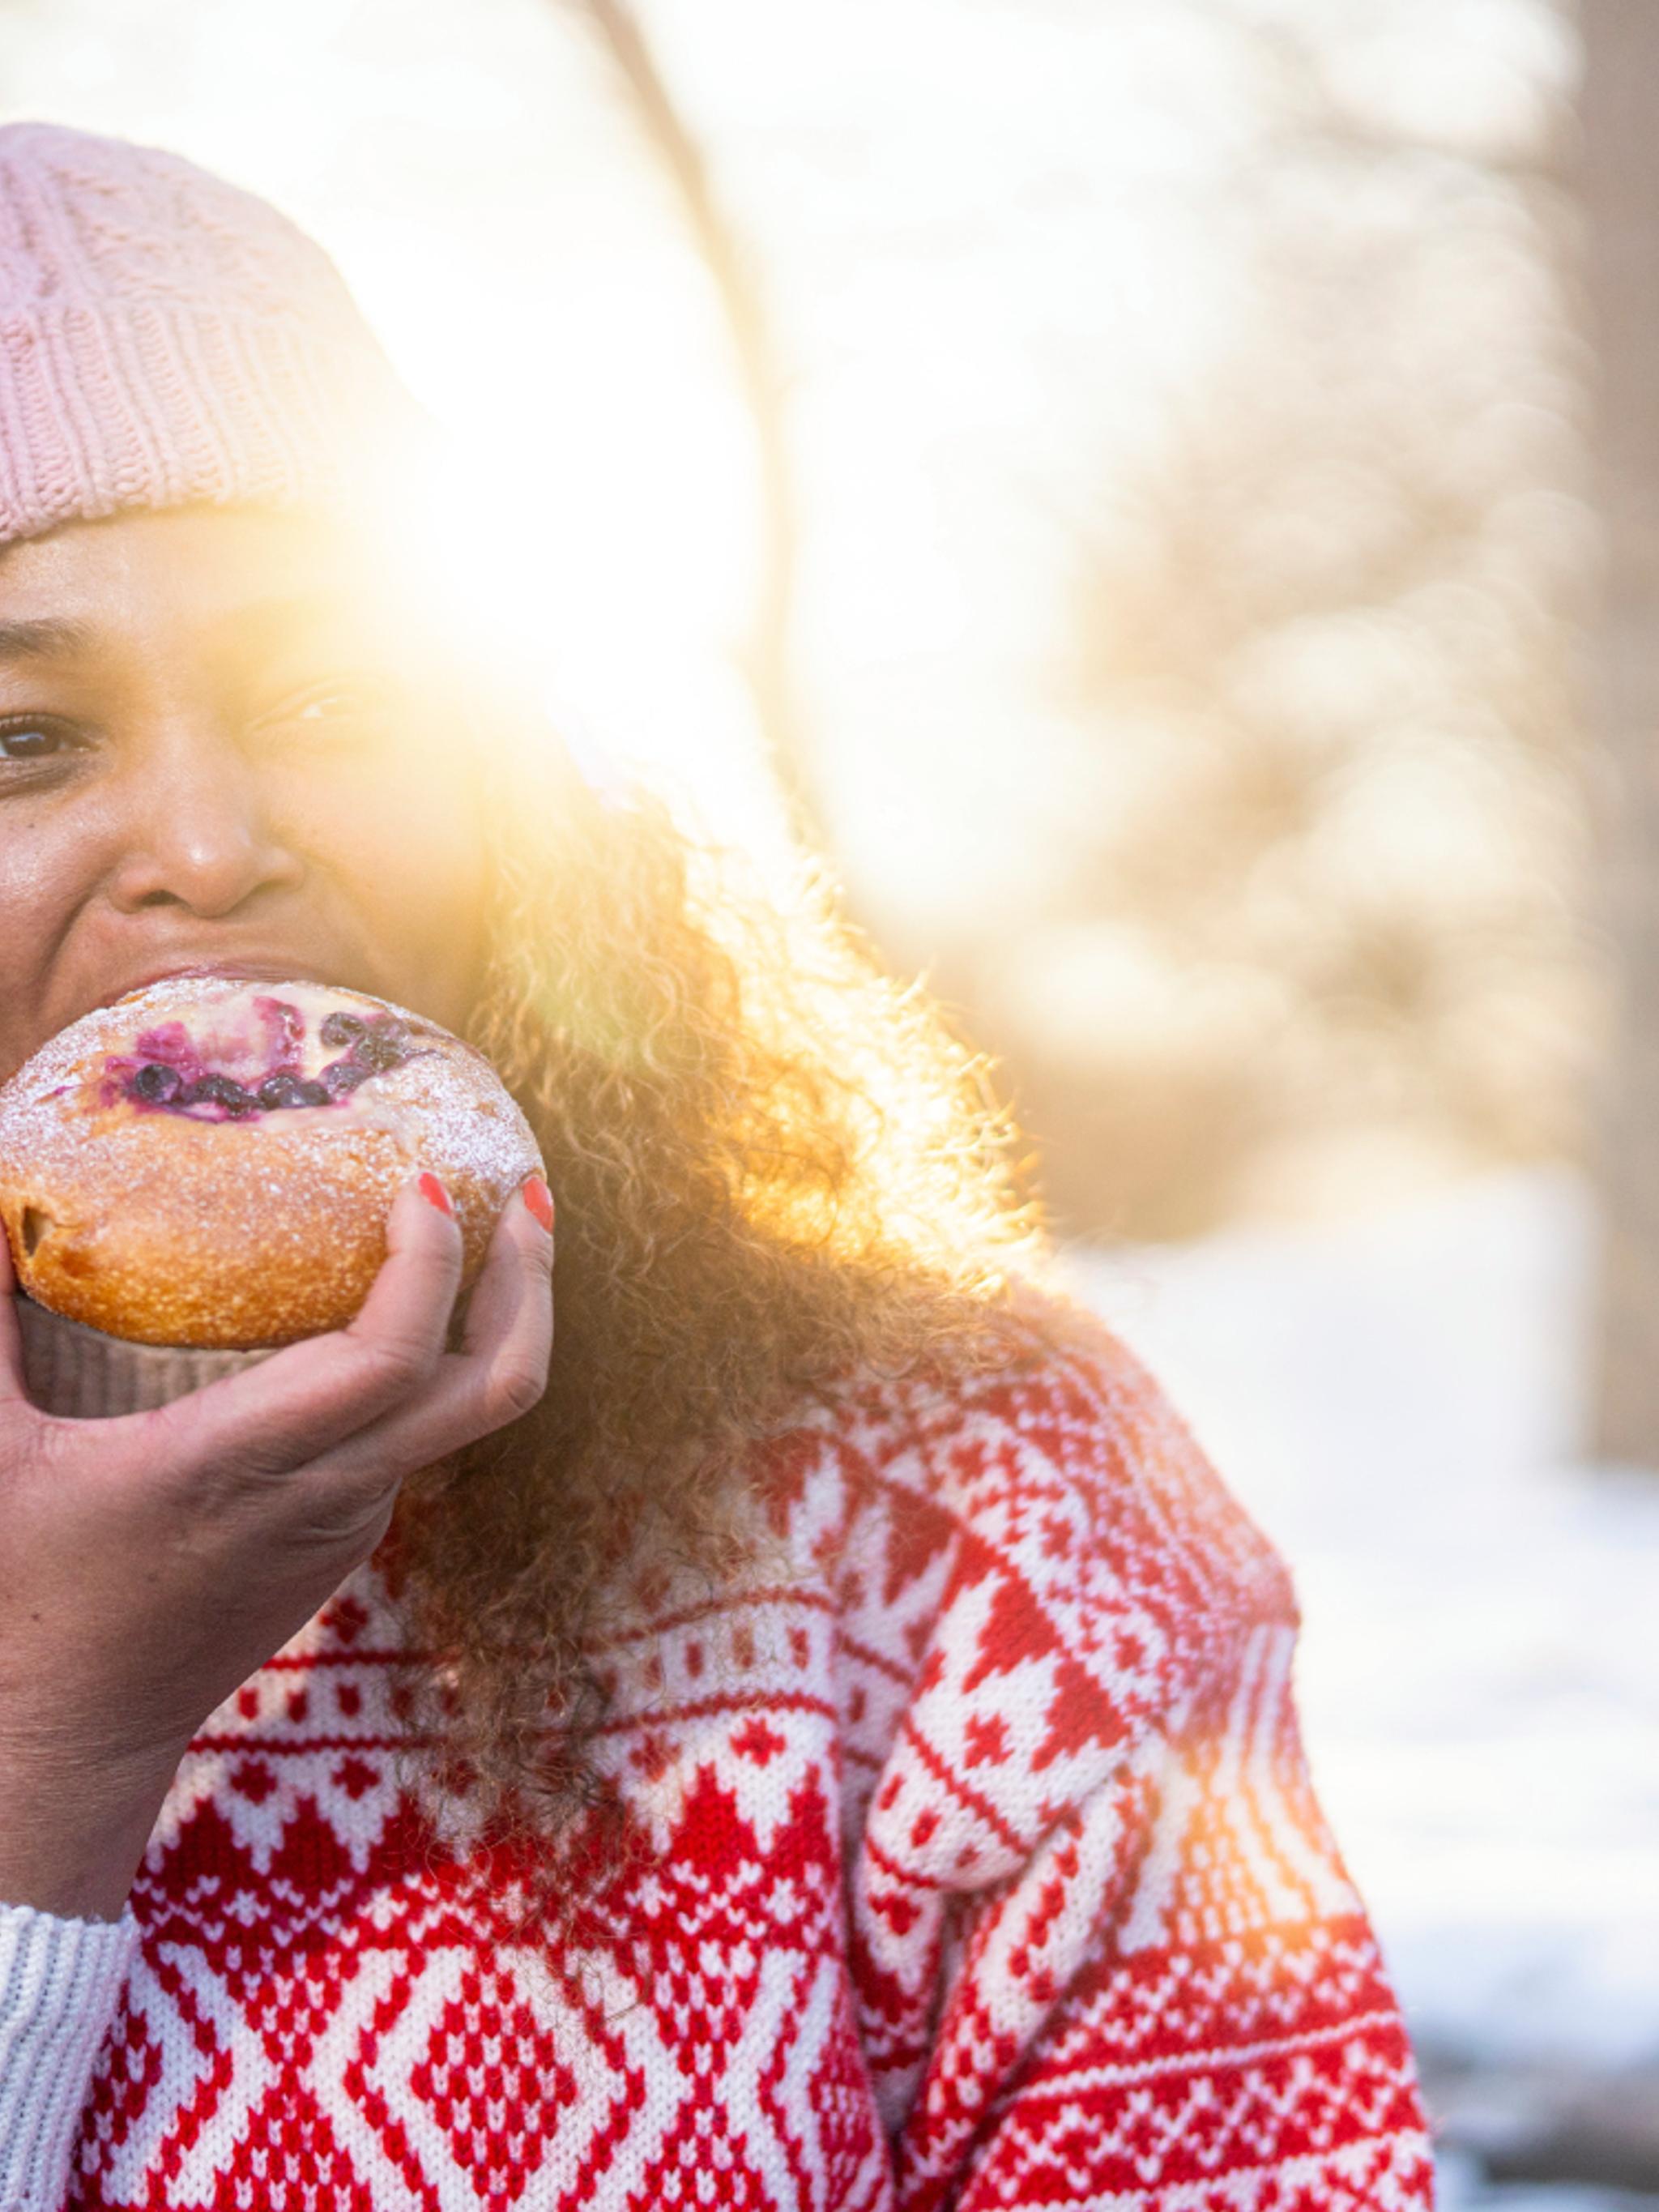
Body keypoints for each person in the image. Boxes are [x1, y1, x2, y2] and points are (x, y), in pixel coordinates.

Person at [0, 122, 1433, 2210]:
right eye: (22, 737)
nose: (215, 848)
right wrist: (49, 1739)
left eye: (333, 693)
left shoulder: (985, 1515)